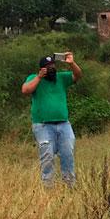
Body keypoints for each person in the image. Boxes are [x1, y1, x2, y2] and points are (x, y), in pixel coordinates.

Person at [21, 52, 82, 186]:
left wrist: (72, 63)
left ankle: (69, 185)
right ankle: (48, 186)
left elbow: (78, 75)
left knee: (68, 153)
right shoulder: (34, 78)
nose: (51, 69)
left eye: (53, 66)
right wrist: (39, 77)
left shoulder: (61, 78)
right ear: (42, 68)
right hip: (43, 125)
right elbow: (25, 90)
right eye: (48, 67)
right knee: (47, 155)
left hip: (64, 124)